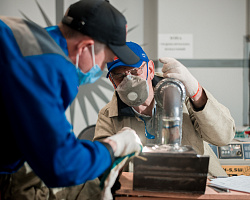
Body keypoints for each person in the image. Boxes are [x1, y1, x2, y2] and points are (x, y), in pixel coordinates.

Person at [0, 0, 142, 199]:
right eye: (104, 60)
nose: (101, 69)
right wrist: (114, 146)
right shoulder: (49, 66)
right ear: (86, 47)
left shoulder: (26, 34)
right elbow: (62, 165)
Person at [94, 41, 236, 177]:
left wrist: (196, 92)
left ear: (149, 70)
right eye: (119, 76)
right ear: (113, 82)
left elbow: (224, 137)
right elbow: (100, 167)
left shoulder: (181, 94)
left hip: (202, 183)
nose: (128, 80)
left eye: (135, 72)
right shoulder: (109, 115)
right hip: (144, 189)